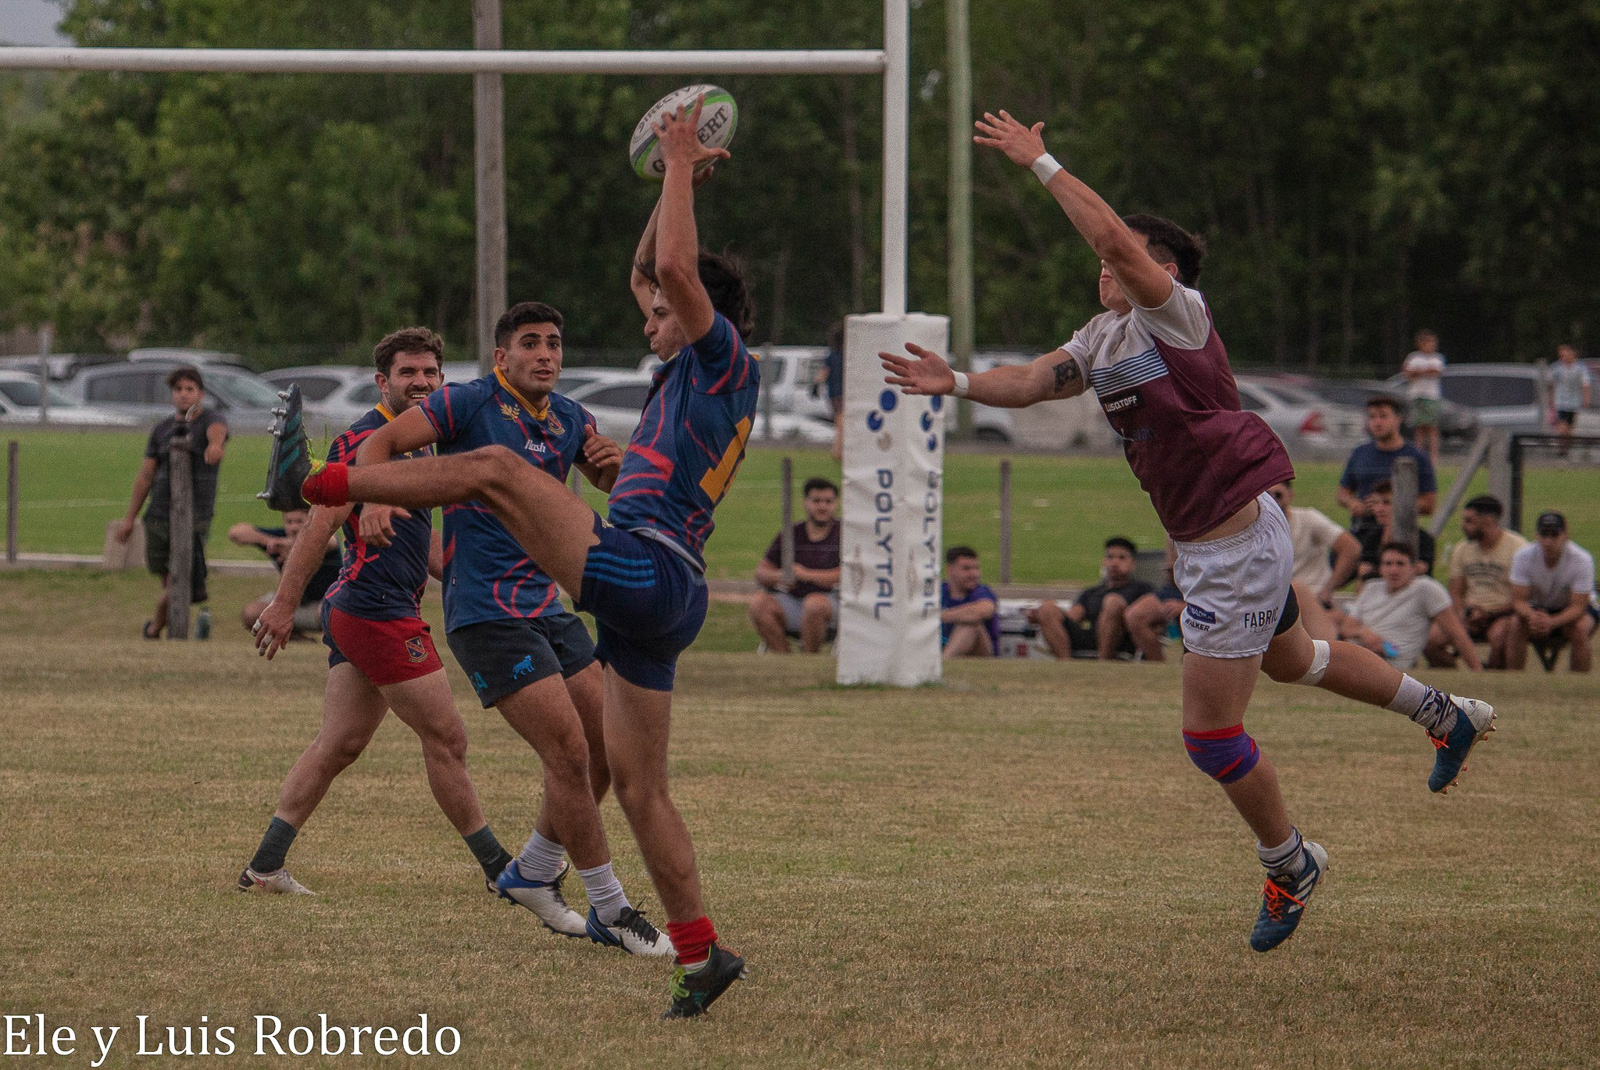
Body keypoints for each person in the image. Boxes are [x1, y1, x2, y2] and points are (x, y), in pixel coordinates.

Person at [883, 108, 1495, 955]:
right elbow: (1031, 382)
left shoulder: (1178, 315)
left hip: (1235, 549)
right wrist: (953, 381)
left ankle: (1291, 861)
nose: (1102, 264)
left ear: (1158, 268)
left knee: (1210, 737)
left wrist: (1040, 161)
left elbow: (1117, 244)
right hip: (1230, 542)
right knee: (1295, 659)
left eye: (1119, 256)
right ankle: (1443, 711)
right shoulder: (1102, 338)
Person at [283, 97, 753, 1018]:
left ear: (696, 312)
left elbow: (669, 268)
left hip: (642, 568)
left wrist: (686, 164)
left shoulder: (720, 357)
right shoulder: (682, 369)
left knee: (493, 471)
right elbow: (647, 265)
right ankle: (702, 954)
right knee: (640, 789)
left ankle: (328, 484)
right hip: (658, 593)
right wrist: (667, 182)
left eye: (664, 308)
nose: (647, 311)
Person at [352, 301, 667, 957]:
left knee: (606, 749)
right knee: (570, 755)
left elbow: (612, 481)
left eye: (554, 343)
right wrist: (379, 493)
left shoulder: (571, 417)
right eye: (531, 343)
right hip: (487, 612)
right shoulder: (465, 404)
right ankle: (610, 908)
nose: (546, 354)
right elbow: (377, 444)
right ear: (502, 358)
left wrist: (614, 469)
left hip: (548, 605)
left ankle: (530, 869)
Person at [241, 328, 516, 898]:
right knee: (447, 737)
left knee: (338, 744)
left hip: (365, 609)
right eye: (408, 374)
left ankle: (263, 867)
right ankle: (502, 873)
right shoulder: (362, 441)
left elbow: (426, 546)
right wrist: (283, 605)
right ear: (382, 381)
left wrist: (487, 582)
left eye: (430, 373)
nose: (421, 383)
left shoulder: (416, 445)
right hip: (377, 610)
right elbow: (320, 525)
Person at [114, 366, 229, 638]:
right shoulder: (162, 429)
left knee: (184, 575)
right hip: (159, 514)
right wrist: (129, 518)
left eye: (190, 389)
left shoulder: (211, 419)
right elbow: (145, 475)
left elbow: (217, 433)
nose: (184, 395)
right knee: (169, 579)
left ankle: (156, 628)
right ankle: (167, 628)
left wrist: (214, 447)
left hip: (195, 514)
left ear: (200, 393)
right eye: (178, 390)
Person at [1340, 543, 1480, 671]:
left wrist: (1477, 671)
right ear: (1381, 568)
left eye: (1400, 564)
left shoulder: (1425, 589)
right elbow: (1347, 628)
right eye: (1388, 564)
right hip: (1357, 652)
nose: (1393, 570)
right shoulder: (1371, 587)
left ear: (1413, 568)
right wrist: (1364, 634)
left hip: (1390, 663)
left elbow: (1456, 632)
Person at [1425, 496, 1527, 669]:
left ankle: (1492, 677)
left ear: (1488, 520)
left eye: (1469, 521)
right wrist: (1464, 613)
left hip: (1502, 614)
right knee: (1431, 640)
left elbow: (1521, 597)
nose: (1463, 526)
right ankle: (1456, 678)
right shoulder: (1462, 548)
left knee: (1500, 637)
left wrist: (1489, 614)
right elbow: (1455, 592)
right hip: (1469, 614)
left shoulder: (1518, 548)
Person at [1027, 536, 1168, 661]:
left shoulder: (1143, 589)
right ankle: (1066, 663)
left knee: (1112, 601)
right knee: (1047, 608)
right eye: (1110, 557)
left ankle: (1103, 662)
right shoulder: (1090, 592)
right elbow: (1073, 617)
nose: (1115, 562)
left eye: (1122, 558)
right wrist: (1042, 615)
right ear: (1104, 561)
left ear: (1133, 564)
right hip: (1089, 639)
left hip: (1121, 642)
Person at [748, 476, 840, 653]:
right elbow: (761, 571)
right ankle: (784, 659)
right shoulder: (792, 533)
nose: (822, 506)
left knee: (814, 604)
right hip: (793, 601)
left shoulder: (843, 534)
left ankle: (809, 660)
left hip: (832, 602)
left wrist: (806, 575)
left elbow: (850, 574)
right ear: (806, 503)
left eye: (828, 501)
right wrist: (780, 576)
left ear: (835, 504)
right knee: (758, 604)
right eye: (816, 501)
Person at [1336, 396, 1437, 540]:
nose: (1377, 422)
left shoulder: (1417, 457)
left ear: (1398, 419)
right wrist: (1353, 503)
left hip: (1401, 533)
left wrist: (1389, 504)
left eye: (1383, 416)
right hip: (1363, 531)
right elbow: (1342, 493)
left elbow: (1429, 505)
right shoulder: (1360, 453)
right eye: (1372, 417)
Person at [1507, 511, 1595, 673]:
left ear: (1565, 536)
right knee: (1515, 624)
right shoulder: (1523, 557)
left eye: (1554, 535)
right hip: (1539, 607)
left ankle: (1578, 681)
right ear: (1536, 536)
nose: (1548, 542)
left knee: (1580, 629)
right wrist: (1532, 616)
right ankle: (1514, 677)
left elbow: (1579, 606)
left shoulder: (1582, 559)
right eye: (1543, 535)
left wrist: (1551, 622)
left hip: (1570, 608)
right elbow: (1518, 600)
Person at [230, 508, 341, 635]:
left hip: (322, 603)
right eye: (289, 522)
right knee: (251, 613)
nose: (293, 527)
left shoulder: (322, 537)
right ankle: (294, 638)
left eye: (299, 521)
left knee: (332, 612)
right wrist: (270, 542)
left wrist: (295, 547)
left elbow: (331, 541)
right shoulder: (279, 539)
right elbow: (236, 532)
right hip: (292, 603)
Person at [1269, 479, 1360, 613]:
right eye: (1266, 495)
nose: (1273, 500)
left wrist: (1328, 589)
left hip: (1312, 598)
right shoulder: (1258, 528)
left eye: (1278, 495)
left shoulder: (1308, 519)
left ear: (1290, 495)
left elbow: (1350, 547)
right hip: (1276, 603)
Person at [1352, 481, 1436, 581]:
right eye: (1375, 503)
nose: (1379, 509)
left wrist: (1374, 572)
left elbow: (1422, 573)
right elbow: (1363, 573)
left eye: (1386, 503)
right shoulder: (1373, 537)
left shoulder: (1423, 539)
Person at [941, 545, 1000, 658]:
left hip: (982, 656)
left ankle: (944, 665)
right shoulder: (939, 592)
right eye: (966, 569)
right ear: (949, 569)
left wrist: (942, 615)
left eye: (976, 568)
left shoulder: (981, 591)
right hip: (940, 650)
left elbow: (984, 610)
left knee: (970, 625)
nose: (974, 574)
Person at [1401, 330, 1445, 466]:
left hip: (1431, 397)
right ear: (1421, 344)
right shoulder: (1413, 357)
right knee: (1419, 428)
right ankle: (1418, 455)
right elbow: (1407, 373)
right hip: (1417, 396)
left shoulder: (1437, 358)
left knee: (1432, 427)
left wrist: (1418, 371)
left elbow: (1435, 372)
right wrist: (1424, 371)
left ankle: (1433, 458)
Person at [1549, 344, 1592, 457]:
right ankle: (1561, 451)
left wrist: (1586, 399)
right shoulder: (1557, 367)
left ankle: (1566, 450)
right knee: (1562, 429)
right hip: (1560, 402)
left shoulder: (1580, 368)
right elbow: (1551, 384)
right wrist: (1551, 399)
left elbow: (1586, 384)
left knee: (1569, 430)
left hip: (1574, 403)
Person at [823, 321, 845, 462]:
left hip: (834, 394)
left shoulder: (831, 356)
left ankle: (838, 450)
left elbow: (823, 373)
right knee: (841, 423)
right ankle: (837, 451)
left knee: (840, 423)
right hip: (842, 393)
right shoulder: (846, 357)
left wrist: (815, 386)